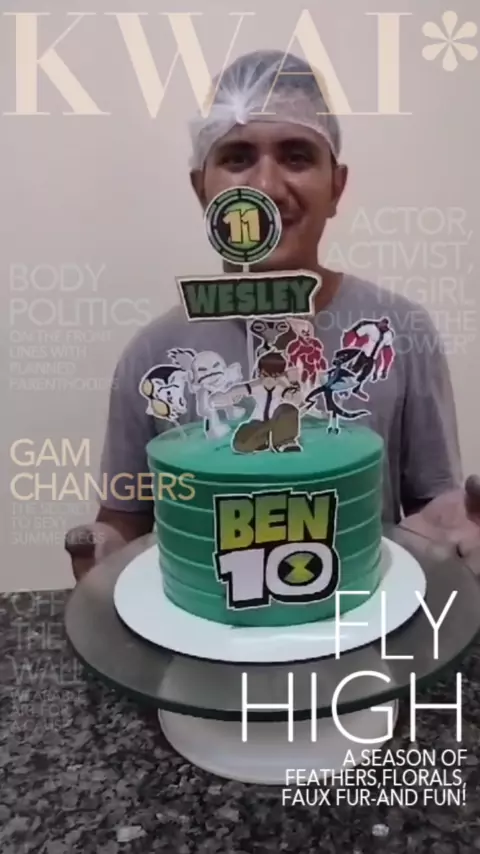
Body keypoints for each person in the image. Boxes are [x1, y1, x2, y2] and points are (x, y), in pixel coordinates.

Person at [65, 49, 480, 580]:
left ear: (337, 186)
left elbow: (432, 508)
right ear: (201, 189)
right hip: (206, 623)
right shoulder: (152, 354)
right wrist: (103, 552)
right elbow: (124, 521)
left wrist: (453, 534)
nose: (264, 186)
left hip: (357, 616)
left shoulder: (400, 331)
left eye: (297, 157)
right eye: (237, 157)